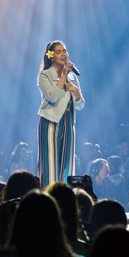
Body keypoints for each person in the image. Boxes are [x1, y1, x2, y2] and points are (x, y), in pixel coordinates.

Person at [37, 40, 85, 187]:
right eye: (58, 52)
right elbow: (52, 96)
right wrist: (63, 76)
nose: (63, 54)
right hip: (50, 122)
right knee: (50, 166)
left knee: (66, 167)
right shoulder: (44, 75)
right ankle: (48, 201)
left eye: (64, 51)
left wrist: (75, 91)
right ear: (51, 56)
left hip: (68, 121)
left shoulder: (73, 77)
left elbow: (81, 104)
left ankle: (65, 199)